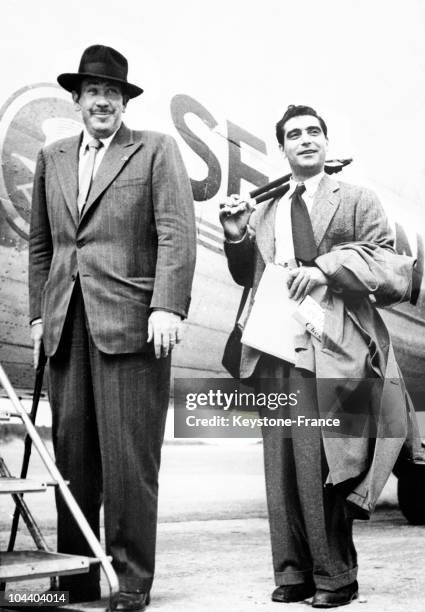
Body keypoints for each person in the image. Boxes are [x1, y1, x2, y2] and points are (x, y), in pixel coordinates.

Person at [219, 104, 421, 607]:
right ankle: (292, 572)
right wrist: (237, 235)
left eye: (314, 132)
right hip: (274, 347)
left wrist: (327, 268)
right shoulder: (266, 210)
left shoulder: (355, 198)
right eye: (294, 135)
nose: (305, 140)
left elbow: (392, 265)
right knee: (282, 464)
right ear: (283, 148)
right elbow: (252, 276)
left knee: (332, 462)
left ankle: (336, 577)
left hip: (338, 346)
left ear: (326, 144)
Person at [29, 44, 196, 611]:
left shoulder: (156, 151)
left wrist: (167, 306)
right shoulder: (52, 157)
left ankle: (130, 581)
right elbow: (42, 246)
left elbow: (175, 234)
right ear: (75, 100)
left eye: (114, 93)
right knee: (72, 460)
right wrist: (36, 315)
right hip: (65, 327)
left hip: (134, 326)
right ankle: (76, 573)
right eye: (93, 92)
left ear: (125, 103)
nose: (103, 101)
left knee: (129, 461)